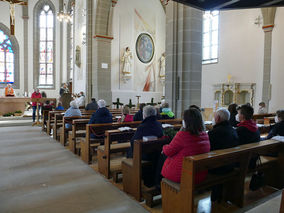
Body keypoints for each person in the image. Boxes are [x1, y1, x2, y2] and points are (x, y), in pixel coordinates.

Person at [160, 108, 210, 185]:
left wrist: (164, 147)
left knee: (162, 157)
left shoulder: (182, 135)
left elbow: (168, 151)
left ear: (186, 121)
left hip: (182, 175)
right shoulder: (205, 135)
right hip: (199, 173)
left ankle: (158, 186)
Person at [208, 108, 239, 202]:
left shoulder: (213, 133)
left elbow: (208, 151)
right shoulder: (233, 130)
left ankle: (215, 197)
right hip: (231, 164)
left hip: (218, 167)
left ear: (217, 118)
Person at [128, 105, 164, 187]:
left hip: (146, 155)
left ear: (144, 115)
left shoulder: (142, 126)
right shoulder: (158, 124)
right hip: (157, 153)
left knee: (129, 151)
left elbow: (133, 142)